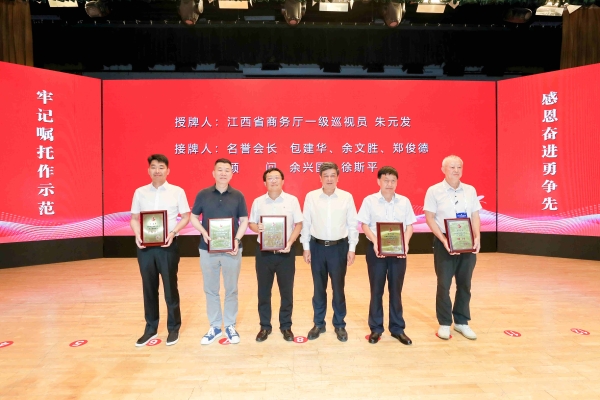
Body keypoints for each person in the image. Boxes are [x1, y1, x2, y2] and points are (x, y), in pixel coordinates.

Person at [130, 154, 190, 347]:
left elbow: (186, 216)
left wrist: (173, 233)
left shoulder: (177, 191)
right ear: (148, 170)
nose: (157, 170)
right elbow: (134, 218)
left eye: (161, 167)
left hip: (168, 246)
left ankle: (173, 327)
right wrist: (138, 235)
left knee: (170, 288)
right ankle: (151, 328)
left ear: (168, 170)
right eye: (154, 167)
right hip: (145, 248)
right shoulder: (140, 192)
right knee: (149, 288)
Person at [190, 158, 249, 345]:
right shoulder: (203, 194)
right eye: (220, 170)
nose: (223, 173)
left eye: (227, 170)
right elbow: (193, 217)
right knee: (211, 289)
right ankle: (215, 326)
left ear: (232, 173)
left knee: (231, 289)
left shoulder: (238, 195)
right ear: (213, 173)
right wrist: (203, 232)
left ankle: (230, 325)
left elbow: (244, 220)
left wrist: (236, 240)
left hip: (232, 250)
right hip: (208, 249)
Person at [424, 155, 481, 340]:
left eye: (459, 167)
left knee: (465, 283)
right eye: (452, 167)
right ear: (443, 169)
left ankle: (461, 322)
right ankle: (444, 322)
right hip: (445, 242)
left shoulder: (470, 190)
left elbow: (475, 216)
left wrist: (477, 236)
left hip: (467, 241)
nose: (456, 170)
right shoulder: (434, 190)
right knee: (444, 284)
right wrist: (443, 239)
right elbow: (429, 218)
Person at [357, 166, 416, 345]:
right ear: (379, 181)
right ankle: (376, 328)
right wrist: (376, 241)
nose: (389, 184)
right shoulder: (369, 201)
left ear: (397, 182)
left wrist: (406, 243)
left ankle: (397, 328)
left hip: (399, 252)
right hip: (376, 251)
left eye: (393, 181)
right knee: (376, 290)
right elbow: (364, 225)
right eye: (386, 180)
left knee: (396, 290)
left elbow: (409, 226)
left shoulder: (404, 201)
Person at [300, 162, 358, 342]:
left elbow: (352, 225)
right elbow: (306, 223)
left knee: (338, 288)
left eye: (333, 175)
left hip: (339, 248)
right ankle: (319, 323)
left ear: (338, 177)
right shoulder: (311, 197)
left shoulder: (346, 197)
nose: (329, 179)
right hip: (316, 247)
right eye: (326, 176)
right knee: (319, 288)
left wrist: (352, 248)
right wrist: (306, 247)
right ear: (320, 178)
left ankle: (339, 324)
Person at [248, 168, 303, 342]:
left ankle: (286, 326)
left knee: (286, 292)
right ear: (264, 182)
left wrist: (290, 242)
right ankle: (265, 326)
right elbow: (251, 223)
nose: (273, 181)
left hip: (286, 253)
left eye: (276, 177)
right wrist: (257, 228)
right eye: (270, 178)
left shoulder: (292, 200)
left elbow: (299, 224)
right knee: (263, 292)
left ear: (283, 181)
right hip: (263, 254)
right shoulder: (258, 202)